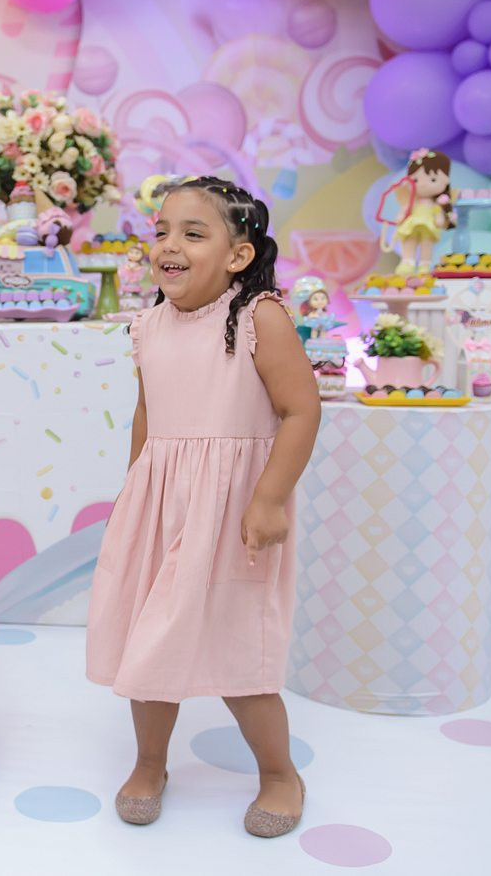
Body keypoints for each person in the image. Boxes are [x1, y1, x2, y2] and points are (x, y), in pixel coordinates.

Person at [86, 176, 321, 835]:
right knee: (149, 640)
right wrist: (135, 488)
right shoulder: (148, 326)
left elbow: (301, 410)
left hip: (233, 515)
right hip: (162, 507)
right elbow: (147, 413)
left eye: (193, 234)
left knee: (240, 647)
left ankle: (279, 773)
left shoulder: (259, 318)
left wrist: (269, 499)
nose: (170, 245)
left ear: (238, 254)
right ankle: (150, 762)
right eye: (161, 231)